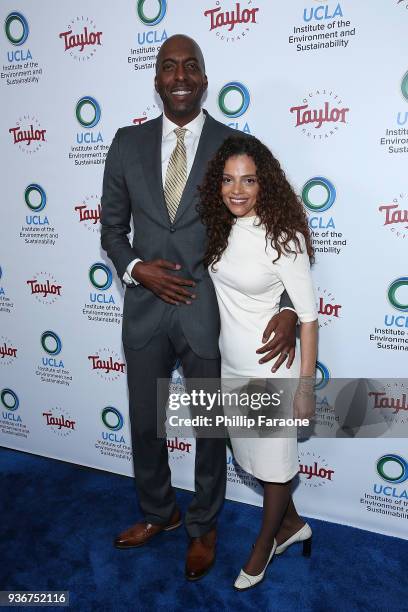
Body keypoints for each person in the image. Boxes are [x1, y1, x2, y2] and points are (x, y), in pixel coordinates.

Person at [100, 34, 298, 581]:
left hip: (210, 315)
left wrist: (286, 302)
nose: (180, 75)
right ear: (157, 79)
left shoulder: (234, 144)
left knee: (211, 430)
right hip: (143, 308)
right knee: (146, 423)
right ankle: (159, 513)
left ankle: (203, 526)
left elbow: (274, 226)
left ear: (204, 79)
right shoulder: (124, 143)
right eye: (169, 66)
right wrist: (137, 268)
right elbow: (112, 229)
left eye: (191, 67)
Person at [199, 135, 318, 590]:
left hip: (271, 371)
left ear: (264, 183)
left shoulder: (283, 238)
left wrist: (305, 389)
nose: (238, 190)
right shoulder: (221, 226)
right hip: (232, 366)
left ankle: (263, 547)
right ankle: (293, 527)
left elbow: (309, 319)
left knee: (274, 466)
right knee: (251, 457)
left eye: (249, 180)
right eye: (229, 180)